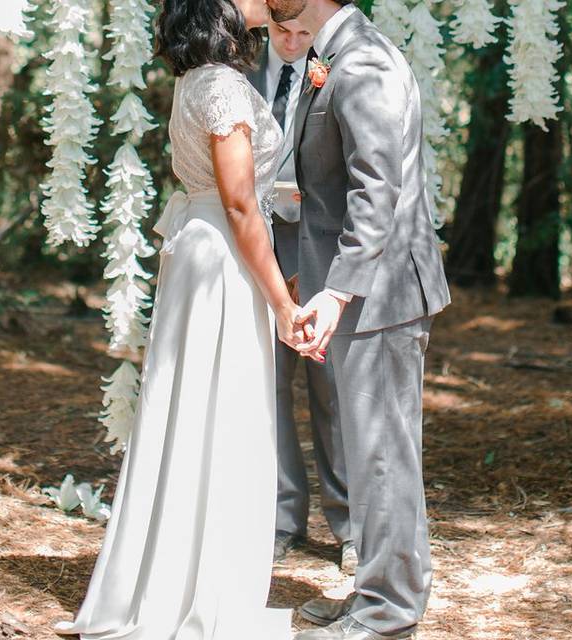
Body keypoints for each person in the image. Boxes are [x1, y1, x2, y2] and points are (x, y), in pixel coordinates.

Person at [52, 0, 301, 636]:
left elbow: (236, 193)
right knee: (220, 411)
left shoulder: (196, 80)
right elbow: (242, 205)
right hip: (223, 258)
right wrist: (282, 301)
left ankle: (171, 577)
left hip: (201, 247)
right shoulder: (222, 87)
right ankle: (203, 593)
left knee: (192, 411)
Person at [264, 0, 453, 637]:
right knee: (370, 452)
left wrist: (337, 291)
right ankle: (374, 593)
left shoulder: (364, 60)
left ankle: (389, 613)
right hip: (363, 290)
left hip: (382, 294)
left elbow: (377, 191)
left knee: (383, 458)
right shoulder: (337, 53)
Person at [246, 19, 355, 571]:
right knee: (270, 391)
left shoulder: (336, 72)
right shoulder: (240, 73)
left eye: (301, 30)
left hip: (320, 247)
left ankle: (349, 526)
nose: (292, 41)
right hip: (260, 249)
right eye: (281, 30)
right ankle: (281, 518)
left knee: (330, 386)